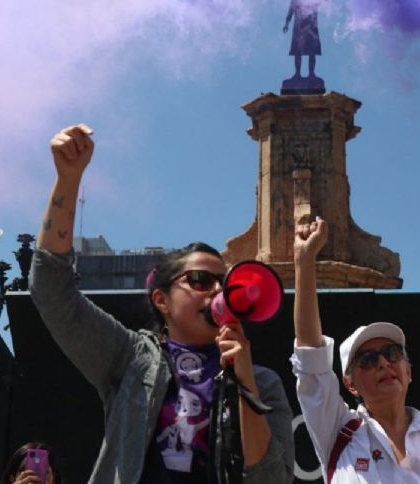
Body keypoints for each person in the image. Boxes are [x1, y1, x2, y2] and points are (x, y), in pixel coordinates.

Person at [29, 124, 294, 483]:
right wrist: (68, 179)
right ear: (162, 301)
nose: (217, 291)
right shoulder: (129, 357)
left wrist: (244, 380)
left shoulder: (263, 381)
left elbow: (273, 479)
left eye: (225, 282)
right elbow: (51, 290)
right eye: (200, 280)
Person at [291, 218, 420, 482]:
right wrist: (304, 260)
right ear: (350, 384)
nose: (383, 363)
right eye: (367, 359)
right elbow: (310, 356)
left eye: (392, 353)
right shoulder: (338, 432)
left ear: (408, 371)